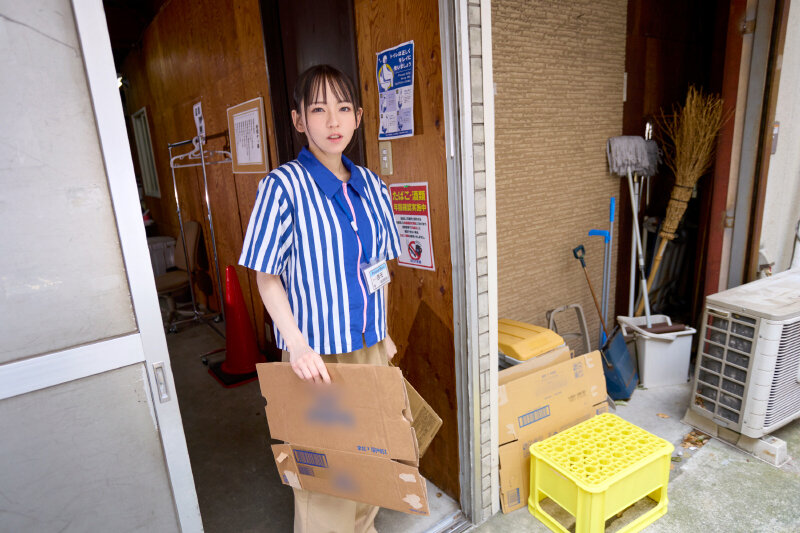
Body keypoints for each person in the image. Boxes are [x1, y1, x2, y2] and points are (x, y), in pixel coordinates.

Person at [239, 64, 401, 533]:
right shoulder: (282, 186)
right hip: (316, 361)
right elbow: (266, 276)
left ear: (359, 117)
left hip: (370, 350)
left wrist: (384, 333)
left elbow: (379, 269)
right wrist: (297, 346)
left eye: (344, 108)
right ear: (298, 120)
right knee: (326, 476)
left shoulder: (373, 186)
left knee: (372, 459)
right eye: (318, 110)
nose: (333, 121)